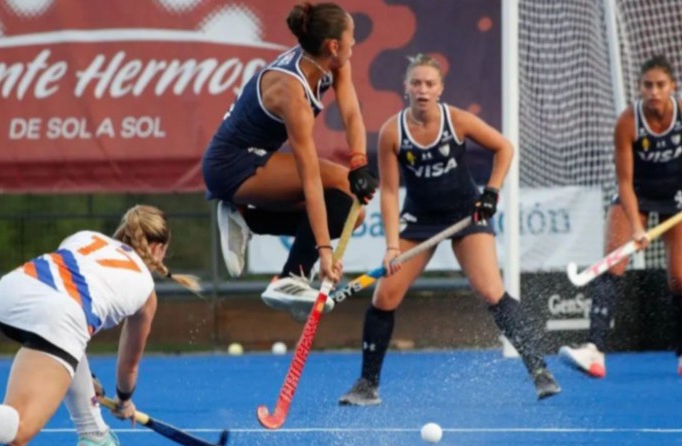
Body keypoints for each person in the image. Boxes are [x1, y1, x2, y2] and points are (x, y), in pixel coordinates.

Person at [338, 54, 562, 406]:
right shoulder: (391, 132)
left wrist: (491, 192)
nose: (423, 90)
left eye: (430, 84)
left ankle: (539, 370)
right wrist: (393, 246)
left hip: (465, 217)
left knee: (492, 292)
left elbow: (504, 147)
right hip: (420, 221)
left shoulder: (456, 120)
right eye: (416, 83)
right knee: (384, 297)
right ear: (406, 88)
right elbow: (392, 192)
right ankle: (368, 385)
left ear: (440, 89)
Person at [0, 205, 201, 446]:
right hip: (58, 315)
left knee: (71, 350)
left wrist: (83, 376)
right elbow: (128, 368)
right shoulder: (146, 293)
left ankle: (96, 436)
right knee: (20, 428)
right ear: (159, 249)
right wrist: (124, 401)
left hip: (11, 292)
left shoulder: (85, 237)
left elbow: (69, 327)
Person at [201, 1, 378, 320]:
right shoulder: (291, 91)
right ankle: (290, 276)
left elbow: (351, 113)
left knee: (352, 212)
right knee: (339, 183)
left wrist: (360, 163)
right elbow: (309, 175)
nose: (355, 42)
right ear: (333, 45)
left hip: (257, 157)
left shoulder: (333, 62)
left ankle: (249, 218)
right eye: (351, 37)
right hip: (230, 165)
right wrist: (324, 252)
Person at [559, 55, 682, 378]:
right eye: (647, 86)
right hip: (637, 194)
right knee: (614, 261)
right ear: (639, 88)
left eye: (660, 85)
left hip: (676, 196)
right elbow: (625, 182)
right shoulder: (628, 122)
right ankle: (593, 350)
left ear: (672, 87)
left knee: (680, 277)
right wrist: (637, 227)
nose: (654, 91)